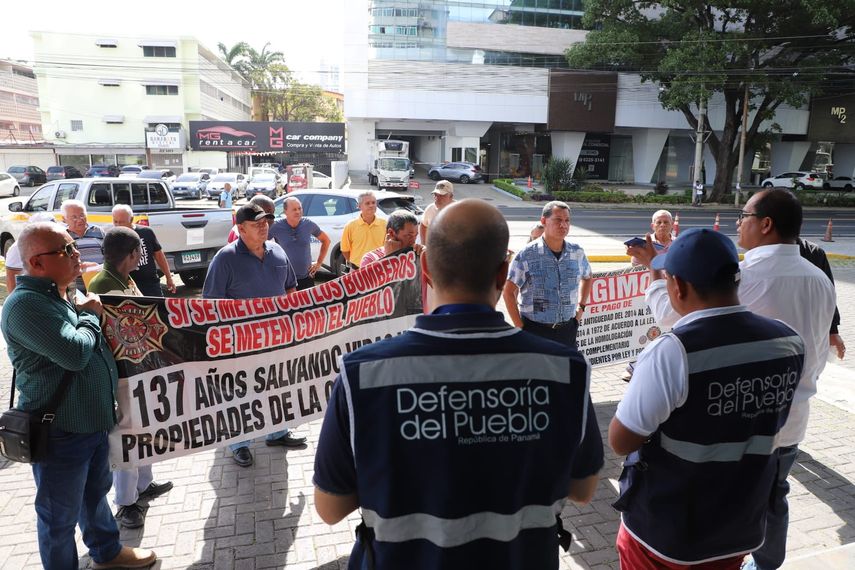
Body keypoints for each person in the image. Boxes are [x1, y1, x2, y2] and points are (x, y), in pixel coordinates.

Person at [313, 199, 604, 569]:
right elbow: (583, 490)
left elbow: (330, 508)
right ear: (503, 274)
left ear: (425, 268)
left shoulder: (361, 374)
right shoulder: (567, 370)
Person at [630, 189, 836, 570]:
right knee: (773, 495)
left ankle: (724, 558)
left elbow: (680, 322)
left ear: (766, 224)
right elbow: (819, 349)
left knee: (727, 498)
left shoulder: (748, 277)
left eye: (743, 214)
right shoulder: (819, 278)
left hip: (739, 416)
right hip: (791, 418)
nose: (738, 222)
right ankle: (765, 562)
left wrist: (656, 276)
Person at [0, 222, 156, 569]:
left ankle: (107, 551)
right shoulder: (25, 305)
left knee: (94, 495)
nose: (76, 255)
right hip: (60, 430)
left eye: (73, 247)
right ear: (37, 263)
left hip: (89, 422)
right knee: (58, 515)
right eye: (65, 251)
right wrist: (89, 317)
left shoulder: (60, 293)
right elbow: (74, 353)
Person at [202, 203, 306, 467]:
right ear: (240, 229)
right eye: (257, 223)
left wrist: (295, 326)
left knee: (277, 385)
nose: (264, 227)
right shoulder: (225, 258)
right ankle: (239, 443)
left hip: (277, 339)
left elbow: (291, 289)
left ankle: (277, 431)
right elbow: (210, 305)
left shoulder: (278, 251)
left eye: (266, 222)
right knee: (239, 394)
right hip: (240, 343)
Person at [87, 227, 174, 528]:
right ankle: (125, 502)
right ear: (134, 253)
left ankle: (143, 484)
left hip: (139, 370)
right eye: (140, 251)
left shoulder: (125, 279)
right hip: (122, 376)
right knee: (127, 435)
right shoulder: (103, 284)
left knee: (145, 430)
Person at [503, 201, 593, 348]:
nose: (563, 225)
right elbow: (507, 292)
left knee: (566, 371)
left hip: (567, 330)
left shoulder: (577, 252)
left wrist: (581, 308)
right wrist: (519, 327)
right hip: (534, 330)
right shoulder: (527, 254)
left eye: (567, 221)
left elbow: (588, 277)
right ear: (544, 221)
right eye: (558, 220)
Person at [111, 205, 176, 296]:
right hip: (128, 287)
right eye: (115, 221)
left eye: (121, 222)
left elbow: (159, 256)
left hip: (150, 284)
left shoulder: (146, 232)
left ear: (131, 219)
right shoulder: (112, 238)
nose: (118, 225)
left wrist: (169, 277)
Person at [798, 237, 846, 359]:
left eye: (745, 217)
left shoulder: (814, 253)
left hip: (809, 336)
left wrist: (833, 331)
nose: (740, 224)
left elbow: (828, 295)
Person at [269, 196, 331, 290]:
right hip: (285, 279)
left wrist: (318, 263)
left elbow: (326, 240)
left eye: (299, 208)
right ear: (285, 211)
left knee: (309, 304)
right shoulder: (276, 227)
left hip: (306, 278)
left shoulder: (308, 224)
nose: (298, 211)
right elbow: (261, 245)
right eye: (294, 209)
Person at [4, 212, 57, 292]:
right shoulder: (17, 248)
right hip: (32, 295)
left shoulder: (55, 241)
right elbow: (12, 280)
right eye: (49, 229)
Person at [61, 199, 104, 291]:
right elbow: (61, 264)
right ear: (64, 219)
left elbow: (109, 256)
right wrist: (82, 267)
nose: (80, 220)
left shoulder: (98, 231)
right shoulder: (63, 236)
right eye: (74, 217)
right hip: (75, 289)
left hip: (100, 285)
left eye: (82, 215)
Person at [340, 190, 386, 270]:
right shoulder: (350, 226)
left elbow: (388, 248)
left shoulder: (385, 224)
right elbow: (345, 250)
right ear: (359, 206)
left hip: (379, 270)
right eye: (367, 203)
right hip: (357, 270)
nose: (371, 205)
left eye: (373, 202)